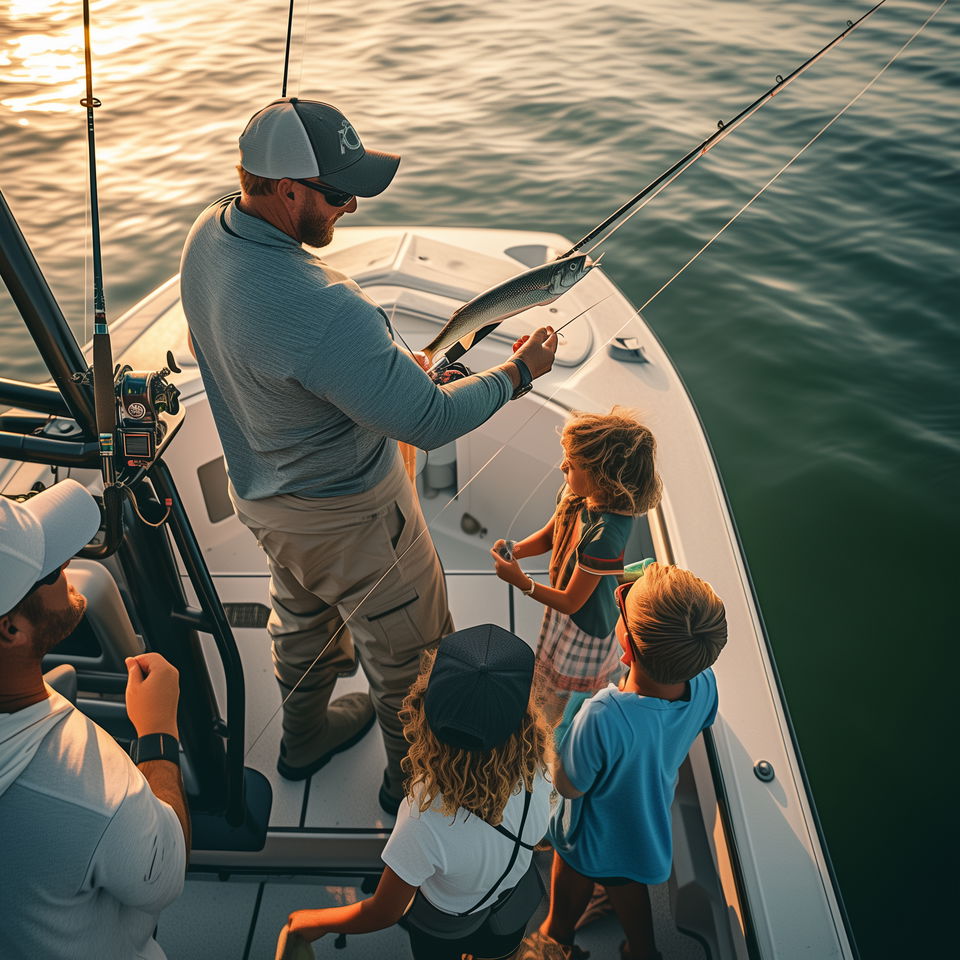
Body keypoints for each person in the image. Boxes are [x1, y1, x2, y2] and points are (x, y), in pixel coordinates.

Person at [179, 97, 558, 812]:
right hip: (355, 523)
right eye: (338, 192)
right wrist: (519, 374)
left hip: (264, 502)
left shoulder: (207, 235)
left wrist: (376, 370)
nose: (352, 205)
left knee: (301, 622)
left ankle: (304, 738)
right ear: (287, 190)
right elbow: (432, 420)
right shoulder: (325, 308)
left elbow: (295, 365)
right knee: (412, 664)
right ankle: (404, 786)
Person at [281, 623, 555, 960]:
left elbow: (384, 911)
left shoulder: (424, 817)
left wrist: (315, 921)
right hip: (512, 906)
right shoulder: (539, 767)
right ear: (522, 720)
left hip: (444, 925)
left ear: (426, 711)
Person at [0, 479, 189, 960]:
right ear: (11, 629)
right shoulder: (89, 786)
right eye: (49, 570)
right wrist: (158, 731)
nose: (67, 563)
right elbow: (165, 871)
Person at [519, 562, 728, 960]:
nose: (621, 595)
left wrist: (559, 736)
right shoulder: (703, 682)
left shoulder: (604, 714)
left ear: (627, 649)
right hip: (644, 825)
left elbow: (569, 786)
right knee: (626, 881)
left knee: (574, 866)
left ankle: (555, 937)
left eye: (622, 601)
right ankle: (642, 951)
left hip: (594, 831)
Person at [490, 408, 661, 722]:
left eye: (572, 464)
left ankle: (547, 724)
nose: (562, 466)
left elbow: (571, 602)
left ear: (603, 478)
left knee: (561, 689)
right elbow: (549, 536)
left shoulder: (607, 535)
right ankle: (547, 704)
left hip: (586, 624)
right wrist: (515, 551)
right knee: (549, 669)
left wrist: (521, 582)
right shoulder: (576, 493)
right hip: (562, 606)